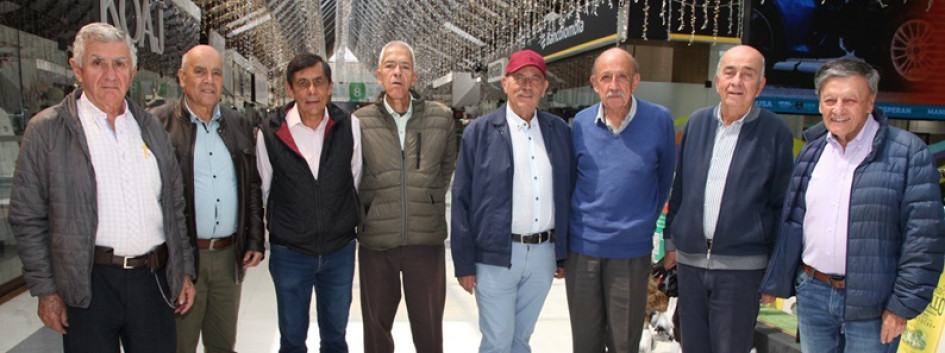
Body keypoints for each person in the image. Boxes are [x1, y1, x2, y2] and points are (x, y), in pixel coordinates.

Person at [9, 22, 196, 353]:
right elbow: (27, 217)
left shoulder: (150, 126)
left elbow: (173, 206)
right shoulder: (47, 131)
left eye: (119, 63)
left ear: (133, 71)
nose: (110, 74)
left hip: (152, 279)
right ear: (77, 70)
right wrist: (46, 290)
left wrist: (182, 271)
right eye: (98, 62)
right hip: (87, 284)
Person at [760, 59, 945, 352]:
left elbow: (924, 239)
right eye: (830, 100)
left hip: (875, 306)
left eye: (850, 100)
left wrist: (901, 307)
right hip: (813, 296)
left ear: (870, 102)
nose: (838, 109)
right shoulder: (812, 152)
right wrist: (777, 280)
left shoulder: (908, 153)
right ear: (819, 104)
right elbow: (793, 221)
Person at [661, 45, 794, 352]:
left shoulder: (776, 133)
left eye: (748, 74)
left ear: (760, 85)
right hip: (691, 265)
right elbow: (680, 190)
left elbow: (781, 207)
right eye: (730, 72)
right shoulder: (696, 123)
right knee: (692, 345)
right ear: (718, 79)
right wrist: (671, 242)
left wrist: (773, 274)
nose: (737, 81)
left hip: (742, 271)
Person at [451, 49, 572, 353]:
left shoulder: (558, 132)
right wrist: (463, 262)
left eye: (535, 79)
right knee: (498, 340)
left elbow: (569, 192)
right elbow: (461, 198)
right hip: (495, 257)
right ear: (505, 83)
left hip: (543, 256)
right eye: (519, 77)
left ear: (545, 88)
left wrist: (562, 253)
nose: (527, 85)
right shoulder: (479, 132)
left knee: (521, 340)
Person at [151, 44, 265, 353]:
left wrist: (255, 238)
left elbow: (251, 185)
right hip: (183, 258)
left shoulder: (238, 123)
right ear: (181, 77)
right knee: (179, 344)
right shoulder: (157, 125)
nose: (209, 80)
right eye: (200, 71)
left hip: (229, 257)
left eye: (216, 73)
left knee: (223, 344)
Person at [567, 47, 675, 353]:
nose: (614, 85)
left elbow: (664, 182)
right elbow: (572, 182)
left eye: (622, 77)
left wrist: (639, 226)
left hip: (630, 254)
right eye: (606, 77)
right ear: (594, 83)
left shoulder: (659, 120)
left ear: (636, 80)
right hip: (583, 252)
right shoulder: (581, 124)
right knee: (585, 342)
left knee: (624, 343)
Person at [352, 41, 456, 353]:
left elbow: (446, 168)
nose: (397, 72)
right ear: (379, 75)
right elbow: (353, 174)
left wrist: (430, 203)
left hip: (425, 243)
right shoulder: (359, 122)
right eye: (390, 66)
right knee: (376, 329)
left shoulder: (441, 117)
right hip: (377, 244)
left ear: (414, 76)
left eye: (405, 67)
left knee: (429, 330)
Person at [256, 52, 361, 353]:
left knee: (335, 338)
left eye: (318, 82)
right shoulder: (271, 132)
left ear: (329, 87)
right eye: (303, 84)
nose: (311, 91)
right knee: (291, 339)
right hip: (290, 252)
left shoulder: (349, 127)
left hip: (339, 251)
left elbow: (354, 178)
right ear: (290, 89)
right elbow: (264, 189)